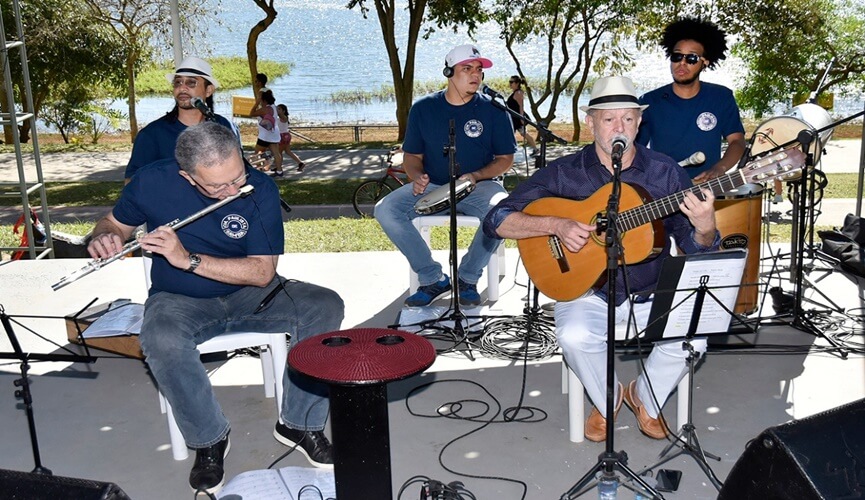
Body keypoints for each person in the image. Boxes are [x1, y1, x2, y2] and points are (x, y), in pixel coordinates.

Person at [87, 122, 344, 493]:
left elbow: (261, 272)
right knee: (160, 337)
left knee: (324, 305)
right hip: (179, 299)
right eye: (219, 186)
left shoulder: (260, 188)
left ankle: (299, 424)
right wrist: (104, 236)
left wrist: (187, 259)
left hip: (250, 293)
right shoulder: (152, 182)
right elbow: (113, 222)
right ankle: (209, 439)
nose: (233, 189)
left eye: (237, 176)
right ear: (188, 177)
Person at [483, 76, 720, 442]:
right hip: (587, 292)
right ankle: (607, 400)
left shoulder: (664, 172)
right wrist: (556, 224)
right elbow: (496, 220)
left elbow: (697, 247)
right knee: (574, 336)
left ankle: (646, 397)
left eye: (627, 118)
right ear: (591, 122)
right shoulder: (565, 174)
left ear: (640, 123)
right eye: (609, 119)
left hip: (652, 292)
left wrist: (704, 226)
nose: (619, 127)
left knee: (695, 337)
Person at [374, 43, 516, 307]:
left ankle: (468, 278)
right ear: (449, 71)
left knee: (501, 212)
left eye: (479, 70)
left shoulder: (494, 110)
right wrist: (416, 177)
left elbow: (505, 159)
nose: (476, 75)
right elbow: (412, 157)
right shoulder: (423, 109)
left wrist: (476, 175)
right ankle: (432, 278)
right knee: (386, 209)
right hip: (434, 186)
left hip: (481, 186)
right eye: (467, 69)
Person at [635, 17, 746, 183]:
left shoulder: (721, 97)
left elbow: (737, 141)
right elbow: (635, 150)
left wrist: (720, 168)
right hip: (661, 193)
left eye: (691, 58)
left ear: (705, 63)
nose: (682, 63)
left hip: (706, 191)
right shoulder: (649, 101)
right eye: (677, 56)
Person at [124, 56, 237, 184]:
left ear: (208, 90)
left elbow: (235, 170)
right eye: (178, 82)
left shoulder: (222, 125)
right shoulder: (152, 134)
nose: (182, 88)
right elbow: (130, 182)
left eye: (191, 83)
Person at [252, 89, 284, 176]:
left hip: (264, 136)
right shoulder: (274, 107)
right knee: (276, 153)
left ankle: (258, 171)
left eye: (261, 100)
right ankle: (279, 171)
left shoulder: (265, 109)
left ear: (264, 100)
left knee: (257, 153)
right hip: (274, 134)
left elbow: (251, 113)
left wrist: (256, 103)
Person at [506, 75, 537, 151]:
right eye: (509, 82)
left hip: (517, 118)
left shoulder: (518, 93)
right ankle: (510, 150)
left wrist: (522, 118)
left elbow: (521, 106)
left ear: (517, 83)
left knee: (524, 134)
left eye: (511, 82)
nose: (510, 84)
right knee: (513, 134)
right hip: (513, 118)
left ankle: (536, 149)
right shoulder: (515, 93)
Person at [276, 104, 306, 172]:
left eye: (279, 109)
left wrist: (276, 112)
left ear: (283, 111)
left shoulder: (284, 117)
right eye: (277, 109)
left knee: (279, 153)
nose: (277, 110)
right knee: (288, 151)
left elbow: (281, 116)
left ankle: (278, 167)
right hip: (285, 136)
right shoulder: (278, 119)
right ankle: (300, 163)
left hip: (282, 136)